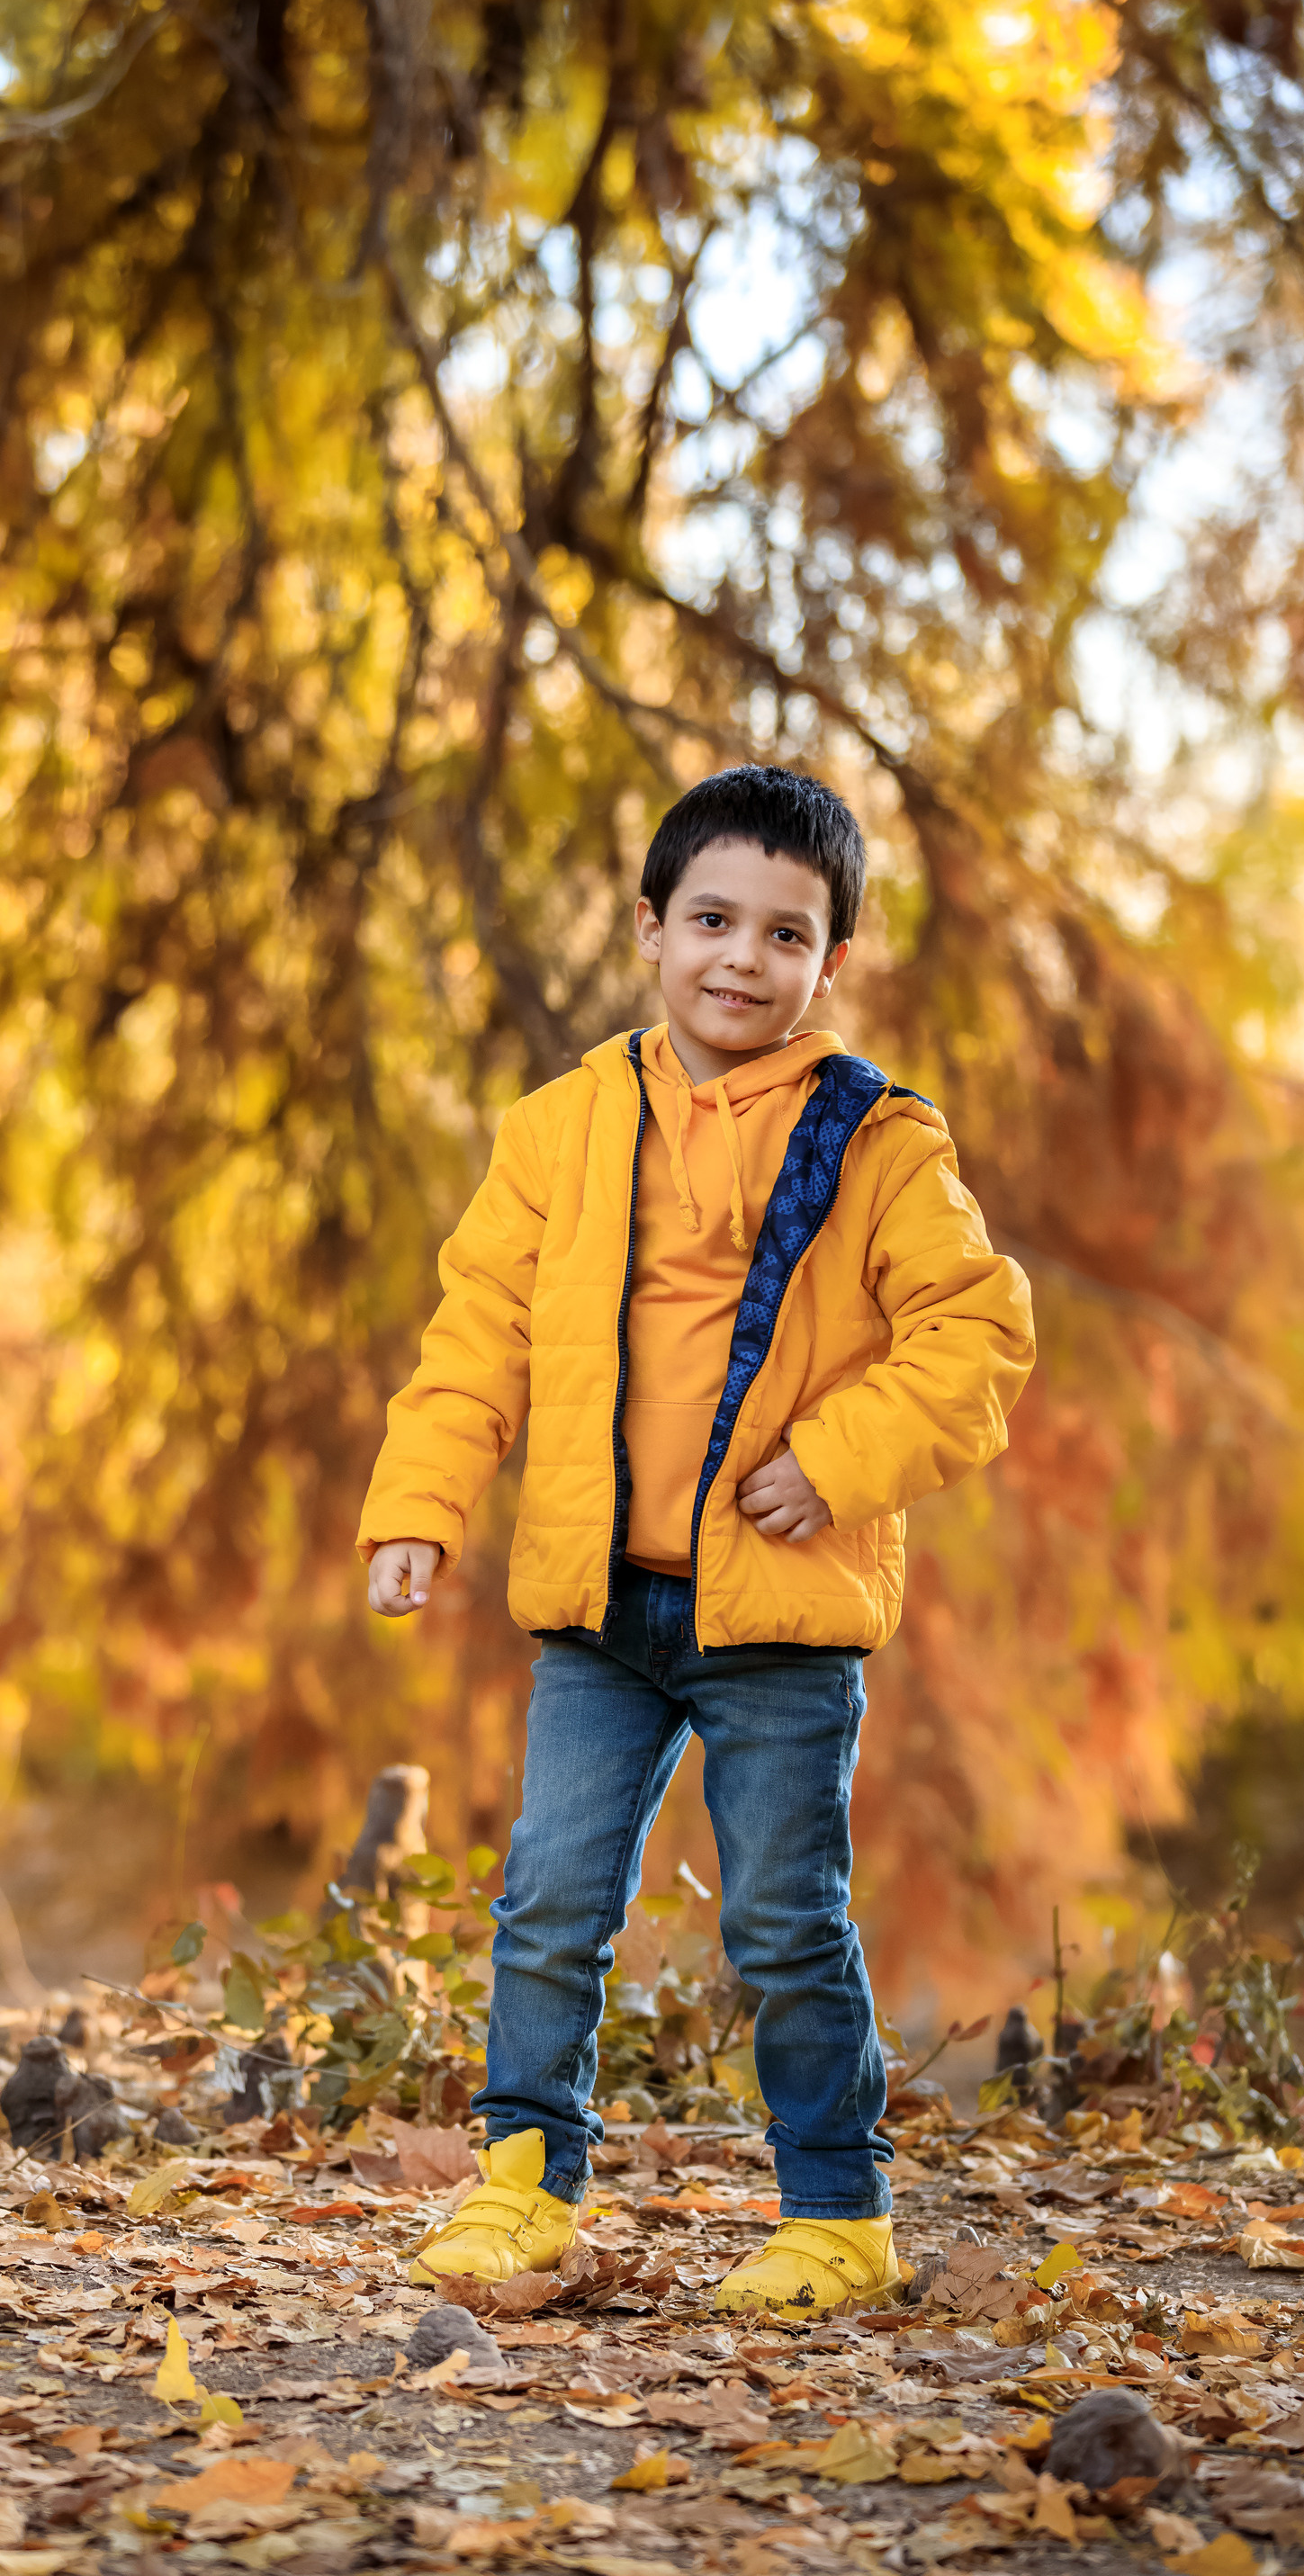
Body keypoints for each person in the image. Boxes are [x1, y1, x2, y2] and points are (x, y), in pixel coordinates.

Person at [356, 766, 1035, 2317]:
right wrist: (419, 1503)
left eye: (786, 934)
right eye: (713, 919)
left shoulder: (877, 1144)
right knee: (550, 1897)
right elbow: (481, 1335)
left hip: (780, 1618)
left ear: (831, 964)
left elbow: (980, 1337)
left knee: (785, 1919)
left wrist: (841, 1457)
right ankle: (525, 2186)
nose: (744, 957)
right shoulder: (564, 1128)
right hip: (602, 1609)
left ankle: (836, 2215)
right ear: (651, 926)